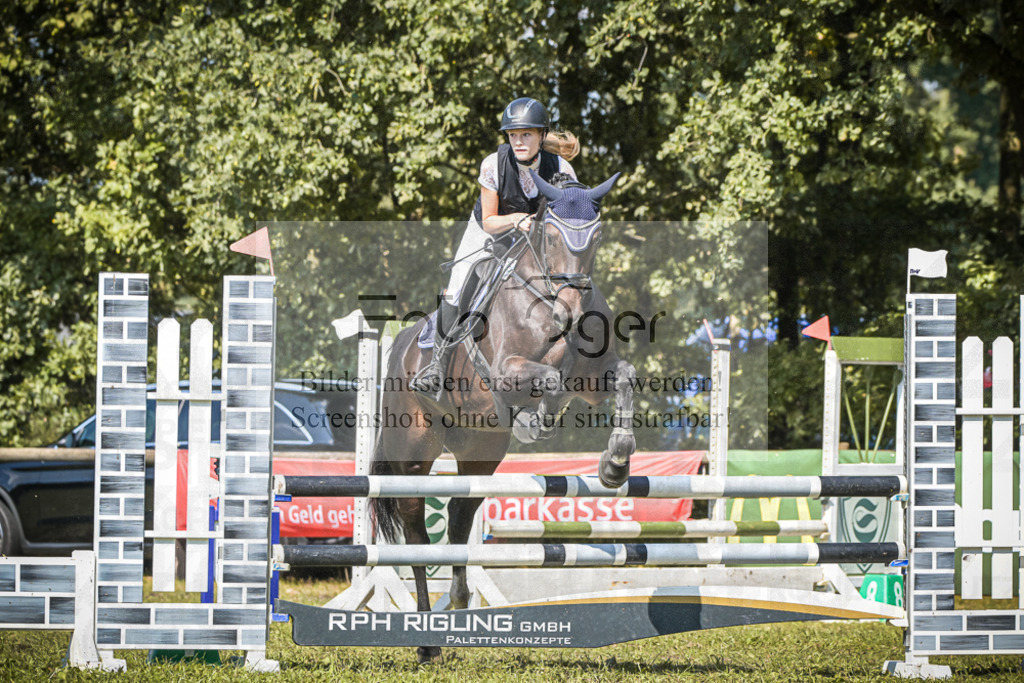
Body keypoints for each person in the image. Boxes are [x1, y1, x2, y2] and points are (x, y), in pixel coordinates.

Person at [413, 97, 580, 395]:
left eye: (526, 134)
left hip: (536, 241)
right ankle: (437, 365)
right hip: (489, 232)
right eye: (513, 135)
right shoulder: (493, 165)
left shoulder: (563, 169)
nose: (518, 141)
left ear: (542, 135)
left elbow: (569, 217)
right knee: (459, 281)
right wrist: (517, 219)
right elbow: (489, 220)